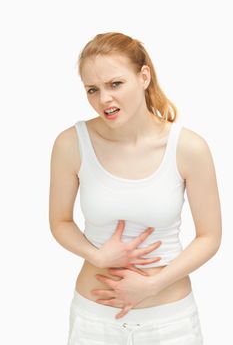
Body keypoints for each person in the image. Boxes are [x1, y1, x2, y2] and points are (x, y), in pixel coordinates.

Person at [49, 32, 222, 345]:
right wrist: (96, 255)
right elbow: (60, 221)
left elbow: (210, 237)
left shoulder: (189, 147)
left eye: (115, 84)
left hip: (171, 323)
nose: (104, 99)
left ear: (144, 76)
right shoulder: (70, 144)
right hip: (94, 322)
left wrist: (152, 284)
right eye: (93, 90)